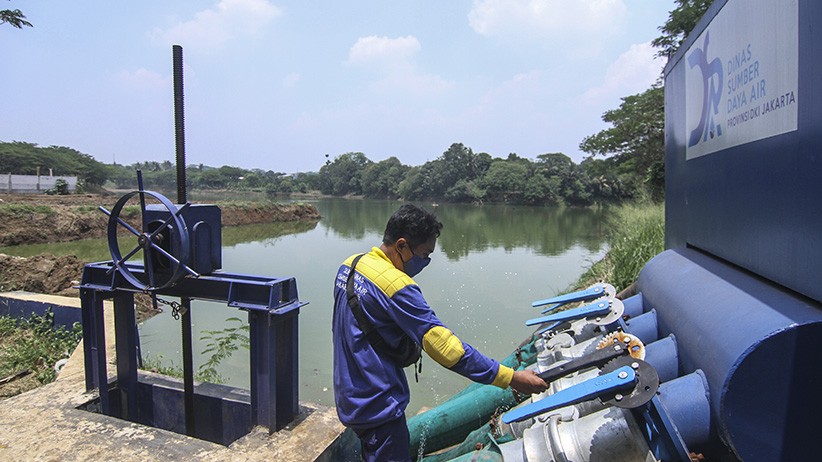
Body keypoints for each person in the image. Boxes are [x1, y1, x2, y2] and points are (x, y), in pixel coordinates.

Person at [332, 204, 548, 461]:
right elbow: (448, 350)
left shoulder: (351, 265)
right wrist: (511, 378)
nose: (425, 263)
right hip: (379, 405)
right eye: (424, 255)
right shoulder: (398, 287)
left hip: (349, 392)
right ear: (401, 245)